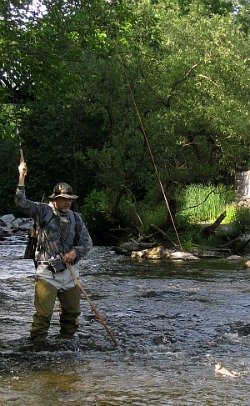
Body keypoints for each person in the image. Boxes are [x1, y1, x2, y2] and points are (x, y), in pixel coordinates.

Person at [15, 161, 93, 344]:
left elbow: (87, 243)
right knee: (43, 317)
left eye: (70, 199)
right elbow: (20, 202)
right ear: (54, 199)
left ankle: (65, 347)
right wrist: (21, 176)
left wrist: (75, 252)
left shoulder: (76, 218)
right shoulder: (42, 211)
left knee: (72, 314)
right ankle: (37, 350)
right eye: (64, 199)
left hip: (69, 273)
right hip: (46, 273)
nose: (67, 202)